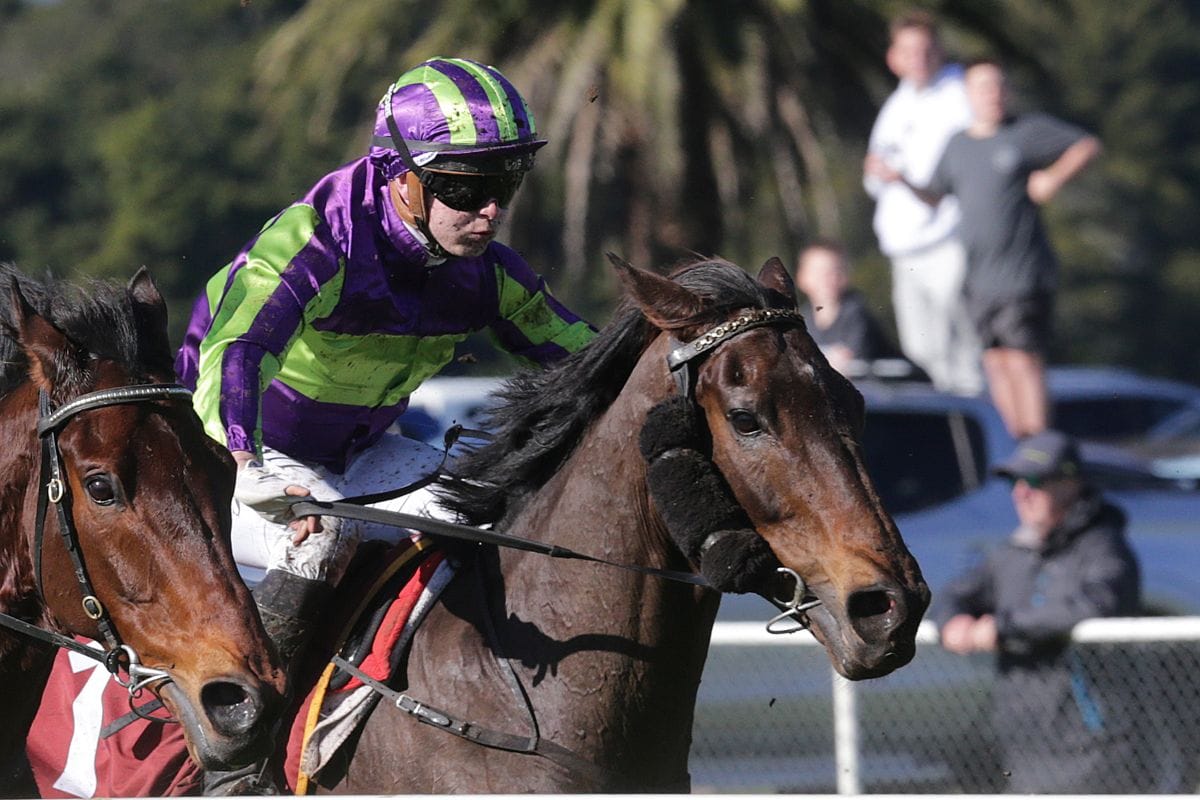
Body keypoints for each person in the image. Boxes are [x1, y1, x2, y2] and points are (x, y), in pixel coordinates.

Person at [174, 56, 597, 793]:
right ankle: (241, 758)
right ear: (398, 174)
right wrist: (245, 460)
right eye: (463, 187)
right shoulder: (317, 238)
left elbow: (591, 363)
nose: (489, 211)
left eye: (504, 185)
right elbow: (236, 352)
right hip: (225, 455)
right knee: (321, 539)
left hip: (357, 453)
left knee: (483, 512)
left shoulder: (485, 271)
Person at [878, 58, 1101, 439]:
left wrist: (1052, 178)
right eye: (983, 87)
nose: (993, 94)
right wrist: (899, 179)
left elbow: (1086, 145)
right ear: (968, 94)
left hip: (1022, 273)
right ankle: (1015, 442)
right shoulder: (958, 144)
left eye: (999, 85)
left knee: (1022, 359)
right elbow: (934, 195)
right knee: (996, 362)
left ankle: (1037, 444)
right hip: (979, 279)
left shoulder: (1025, 132)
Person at [931, 430, 1141, 793]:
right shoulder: (1014, 551)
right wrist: (952, 621)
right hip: (1023, 749)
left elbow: (1097, 605)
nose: (1020, 493)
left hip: (1094, 749)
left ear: (1071, 483)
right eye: (1014, 482)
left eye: (1033, 481)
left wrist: (1003, 629)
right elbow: (953, 594)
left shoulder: (1103, 546)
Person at [863, 10, 982, 397]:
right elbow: (875, 179)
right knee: (922, 352)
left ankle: (976, 420)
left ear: (940, 51)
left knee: (963, 350)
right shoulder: (897, 105)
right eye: (909, 51)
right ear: (893, 58)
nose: (919, 58)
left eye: (926, 49)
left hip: (949, 240)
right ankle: (943, 426)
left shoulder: (959, 94)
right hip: (905, 248)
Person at [794, 239, 905, 378]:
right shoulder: (802, 320)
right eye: (819, 272)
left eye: (835, 271)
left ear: (846, 275)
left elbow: (847, 364)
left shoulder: (857, 314)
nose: (826, 279)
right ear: (802, 277)